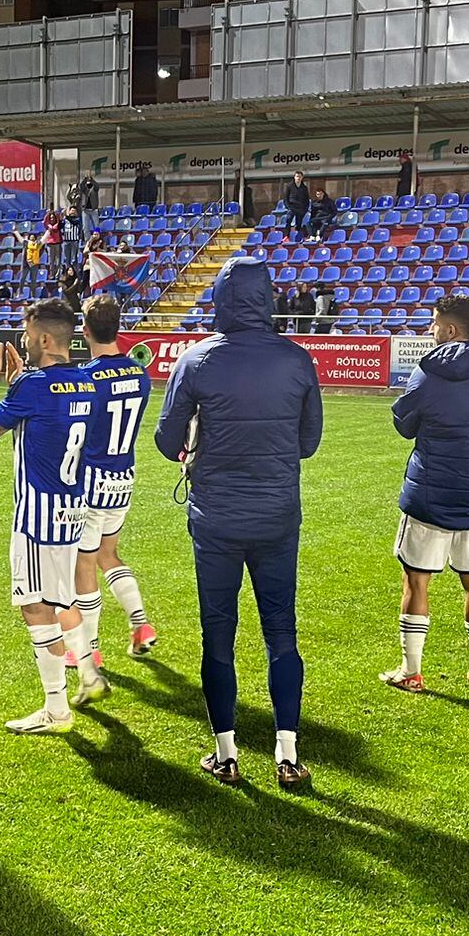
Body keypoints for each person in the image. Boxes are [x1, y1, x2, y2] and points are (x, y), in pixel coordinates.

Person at [153, 257, 323, 788]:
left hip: (217, 519)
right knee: (282, 635)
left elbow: (165, 439)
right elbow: (308, 443)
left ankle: (226, 753)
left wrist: (197, 447)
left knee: (218, 635)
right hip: (276, 515)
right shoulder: (297, 360)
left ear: (221, 299)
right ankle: (288, 753)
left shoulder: (197, 360)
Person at [0, 298, 108, 732]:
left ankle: (57, 709)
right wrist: (21, 380)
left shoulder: (32, 386)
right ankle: (86, 673)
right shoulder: (87, 382)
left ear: (45, 338)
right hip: (72, 508)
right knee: (58, 597)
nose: (24, 341)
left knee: (35, 606)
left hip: (38, 515)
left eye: (28, 335)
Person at [380, 295, 469, 694]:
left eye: (434, 323)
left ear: (451, 330)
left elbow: (404, 424)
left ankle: (412, 671)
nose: (430, 330)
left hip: (429, 494)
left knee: (416, 582)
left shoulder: (426, 374)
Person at [70, 294, 158, 668]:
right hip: (124, 476)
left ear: (85, 330)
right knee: (109, 555)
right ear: (118, 328)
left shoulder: (87, 379)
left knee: (84, 564)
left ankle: (88, 650)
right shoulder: (140, 374)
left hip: (92, 479)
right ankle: (140, 624)